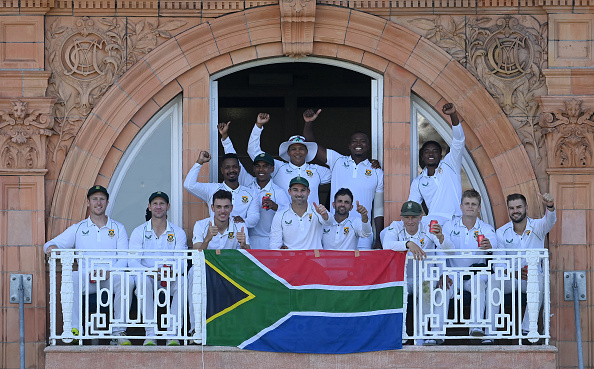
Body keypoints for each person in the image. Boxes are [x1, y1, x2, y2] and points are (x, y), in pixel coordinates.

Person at [43, 185, 131, 345]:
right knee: (72, 278)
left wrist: (109, 272)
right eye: (95, 199)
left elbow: (124, 258)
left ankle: (118, 332)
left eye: (102, 199)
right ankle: (75, 329)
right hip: (87, 277)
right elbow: (51, 244)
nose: (99, 203)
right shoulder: (78, 228)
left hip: (109, 277)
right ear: (88, 202)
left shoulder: (118, 228)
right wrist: (51, 248)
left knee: (127, 281)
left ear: (107, 202)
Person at [302, 109, 384, 249]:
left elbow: (379, 209)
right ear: (349, 146)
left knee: (362, 270)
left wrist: (378, 238)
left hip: (363, 232)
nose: (358, 144)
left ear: (368, 146)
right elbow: (312, 147)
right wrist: (308, 123)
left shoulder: (377, 172)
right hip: (335, 230)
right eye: (354, 141)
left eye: (363, 141)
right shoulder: (338, 161)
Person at [380, 200, 450, 346]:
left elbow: (447, 248)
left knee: (427, 290)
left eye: (413, 217)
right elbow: (387, 244)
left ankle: (420, 337)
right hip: (401, 278)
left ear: (420, 217)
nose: (410, 221)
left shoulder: (428, 227)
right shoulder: (396, 226)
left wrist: (442, 238)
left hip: (422, 277)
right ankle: (398, 336)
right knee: (394, 295)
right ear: (402, 218)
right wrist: (408, 244)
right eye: (406, 217)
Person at [493, 192, 556, 339]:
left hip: (530, 279)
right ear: (508, 210)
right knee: (493, 281)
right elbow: (498, 263)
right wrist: (512, 273)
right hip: (510, 278)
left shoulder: (538, 226)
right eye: (512, 208)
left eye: (519, 207)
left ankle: (528, 330)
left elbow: (550, 220)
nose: (515, 211)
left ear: (526, 207)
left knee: (539, 281)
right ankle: (490, 331)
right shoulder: (501, 232)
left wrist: (550, 206)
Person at [218, 121, 290, 249]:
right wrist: (225, 137)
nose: (261, 170)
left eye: (265, 166)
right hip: (247, 240)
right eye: (258, 166)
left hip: (271, 240)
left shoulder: (278, 192)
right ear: (254, 169)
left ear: (272, 169)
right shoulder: (248, 185)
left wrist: (275, 206)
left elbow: (290, 216)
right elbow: (234, 159)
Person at [128, 191, 187, 346]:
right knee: (141, 281)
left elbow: (181, 261)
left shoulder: (178, 232)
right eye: (155, 203)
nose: (158, 207)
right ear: (149, 207)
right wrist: (150, 272)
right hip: (148, 277)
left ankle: (172, 334)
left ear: (168, 206)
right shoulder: (139, 231)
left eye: (162, 203)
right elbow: (132, 261)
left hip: (170, 277)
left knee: (182, 282)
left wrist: (170, 271)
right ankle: (150, 334)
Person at [188, 190, 249, 335]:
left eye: (226, 207)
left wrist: (243, 245)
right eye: (219, 207)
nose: (223, 211)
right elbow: (196, 255)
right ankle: (195, 329)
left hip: (230, 271)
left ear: (231, 208)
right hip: (206, 270)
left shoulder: (239, 225)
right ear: (212, 208)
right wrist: (208, 238)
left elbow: (248, 255)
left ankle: (239, 330)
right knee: (192, 274)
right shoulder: (201, 225)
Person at [440, 189, 497, 344]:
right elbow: (441, 250)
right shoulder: (449, 226)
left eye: (473, 204)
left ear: (479, 208)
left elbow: (494, 242)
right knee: (442, 287)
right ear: (461, 206)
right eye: (467, 204)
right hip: (453, 273)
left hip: (475, 274)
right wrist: (442, 273)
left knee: (479, 282)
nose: (470, 207)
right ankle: (437, 333)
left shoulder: (485, 228)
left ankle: (476, 328)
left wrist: (489, 244)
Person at [247, 113, 331, 205]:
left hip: (311, 218)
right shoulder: (278, 167)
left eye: (301, 149)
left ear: (306, 152)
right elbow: (253, 152)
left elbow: (340, 172)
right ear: (288, 152)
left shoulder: (317, 170)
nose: (297, 152)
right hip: (284, 218)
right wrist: (258, 126)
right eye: (293, 149)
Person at [408, 103, 465, 224]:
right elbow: (412, 208)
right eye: (427, 152)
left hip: (456, 222)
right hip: (434, 225)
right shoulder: (418, 182)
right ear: (422, 157)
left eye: (435, 151)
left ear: (441, 155)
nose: (431, 154)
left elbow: (459, 140)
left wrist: (453, 115)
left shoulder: (450, 165)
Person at [184, 151, 259, 228]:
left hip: (240, 238)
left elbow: (254, 217)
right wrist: (199, 162)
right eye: (227, 167)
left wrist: (242, 221)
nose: (231, 170)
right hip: (215, 237)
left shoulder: (250, 193)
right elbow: (189, 185)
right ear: (222, 170)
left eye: (234, 167)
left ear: (239, 169)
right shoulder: (212, 189)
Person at [269, 176, 332, 250]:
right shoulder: (280, 214)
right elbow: (274, 244)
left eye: (303, 190)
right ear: (289, 192)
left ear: (308, 192)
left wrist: (325, 215)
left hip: (315, 258)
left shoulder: (317, 210)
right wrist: (282, 254)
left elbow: (329, 222)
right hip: (291, 259)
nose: (299, 194)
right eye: (295, 190)